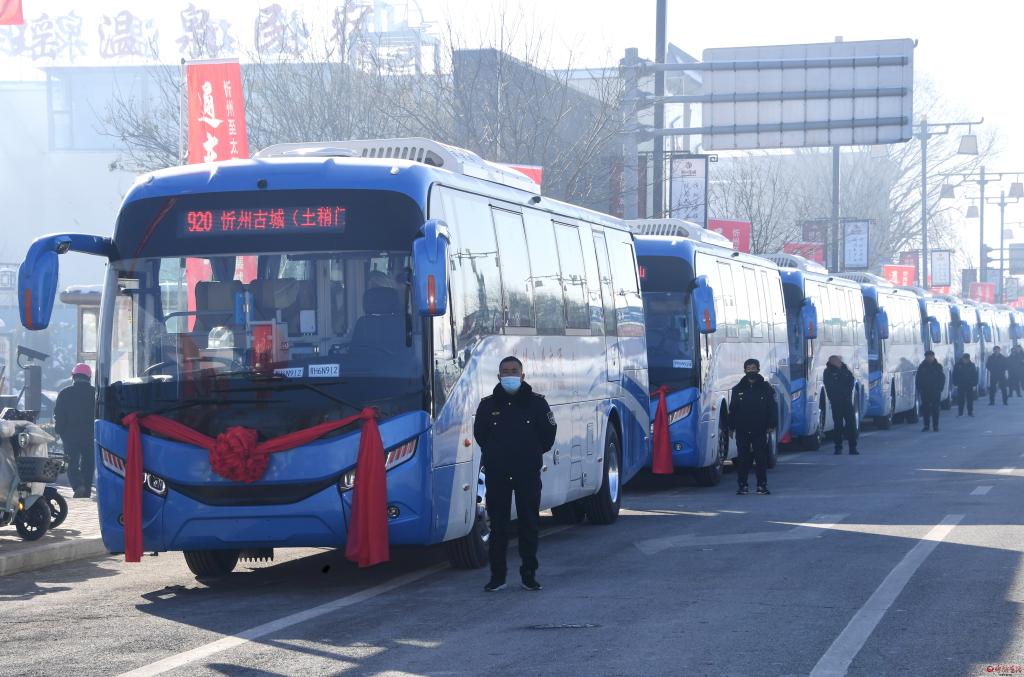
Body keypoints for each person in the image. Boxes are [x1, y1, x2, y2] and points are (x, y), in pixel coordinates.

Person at [473, 356, 556, 592]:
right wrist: (496, 454)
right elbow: (481, 435)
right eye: (505, 371)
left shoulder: (537, 404)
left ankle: (529, 575)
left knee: (529, 524)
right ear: (499, 376)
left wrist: (530, 453)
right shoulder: (487, 405)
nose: (510, 375)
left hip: (527, 472)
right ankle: (497, 577)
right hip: (498, 473)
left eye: (514, 371)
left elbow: (548, 435)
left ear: (522, 375)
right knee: (498, 526)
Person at [727, 358, 777, 495]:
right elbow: (733, 409)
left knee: (760, 458)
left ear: (758, 370)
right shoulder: (738, 389)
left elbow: (772, 407)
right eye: (748, 369)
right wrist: (731, 427)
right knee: (743, 459)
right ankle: (742, 485)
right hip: (742, 429)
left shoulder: (766, 388)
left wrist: (771, 424)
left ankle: (762, 485)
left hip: (759, 428)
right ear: (744, 371)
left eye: (753, 368)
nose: (751, 371)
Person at [54, 363, 97, 498]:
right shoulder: (95, 393)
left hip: (70, 435)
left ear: (73, 376)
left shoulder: (64, 393)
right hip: (91, 434)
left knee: (71, 463)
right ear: (89, 377)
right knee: (89, 463)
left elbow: (59, 415)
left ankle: (78, 485)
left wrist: (59, 431)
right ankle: (87, 490)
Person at [823, 355, 858, 454]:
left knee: (851, 425)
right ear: (832, 362)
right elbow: (829, 386)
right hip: (836, 402)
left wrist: (846, 394)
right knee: (838, 425)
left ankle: (853, 447)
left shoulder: (845, 370)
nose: (839, 362)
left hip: (847, 401)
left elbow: (851, 381)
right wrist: (834, 397)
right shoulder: (828, 372)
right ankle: (838, 448)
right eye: (836, 361)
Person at [915, 350, 946, 431]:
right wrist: (919, 388)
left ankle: (935, 426)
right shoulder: (922, 366)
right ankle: (926, 426)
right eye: (927, 357)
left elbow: (942, 378)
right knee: (926, 409)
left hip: (936, 391)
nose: (929, 358)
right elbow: (918, 378)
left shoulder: (938, 366)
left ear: (933, 357)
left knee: (935, 409)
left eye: (930, 357)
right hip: (925, 391)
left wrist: (940, 388)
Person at [952, 352, 979, 417]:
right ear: (962, 359)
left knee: (970, 399)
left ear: (969, 359)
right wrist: (955, 383)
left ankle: (970, 412)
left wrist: (975, 383)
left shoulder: (972, 365)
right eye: (965, 359)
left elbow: (975, 375)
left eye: (967, 359)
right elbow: (954, 374)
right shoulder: (958, 365)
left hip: (969, 384)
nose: (966, 361)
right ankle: (960, 412)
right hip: (960, 384)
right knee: (960, 399)